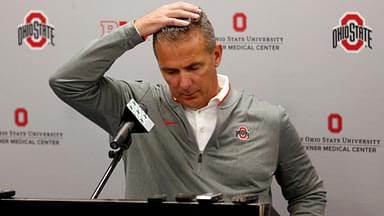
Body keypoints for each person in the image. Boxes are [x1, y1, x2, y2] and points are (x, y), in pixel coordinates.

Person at [49, 2, 326, 215]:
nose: (183, 83)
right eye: (170, 71)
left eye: (194, 68)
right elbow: (67, 82)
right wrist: (136, 30)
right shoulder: (137, 107)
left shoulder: (268, 119)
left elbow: (307, 193)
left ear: (216, 55)